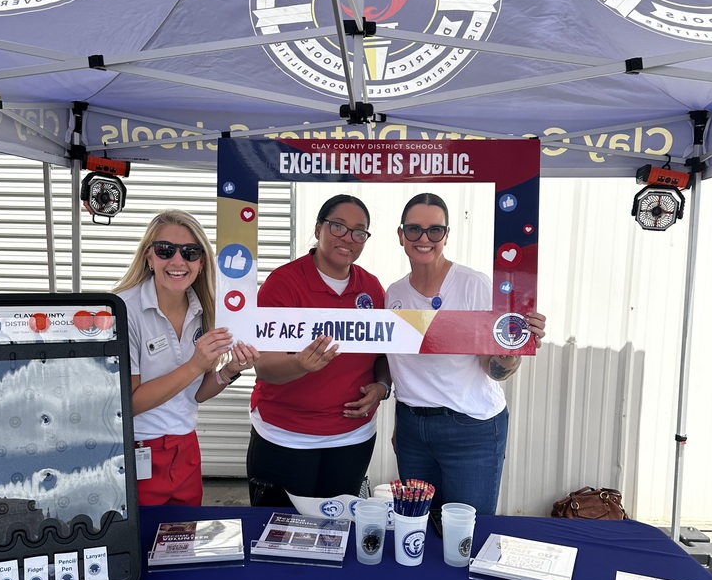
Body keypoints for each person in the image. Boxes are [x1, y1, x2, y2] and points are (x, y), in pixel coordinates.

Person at [385, 192, 546, 521]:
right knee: (419, 529)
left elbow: (495, 369)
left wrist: (511, 352)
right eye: (414, 229)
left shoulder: (475, 286)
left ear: (446, 235)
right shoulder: (393, 294)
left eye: (435, 230)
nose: (424, 238)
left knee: (466, 535)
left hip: (471, 429)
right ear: (401, 235)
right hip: (412, 429)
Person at [247, 194, 392, 503]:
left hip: (352, 438)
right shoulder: (283, 284)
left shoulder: (371, 288)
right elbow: (265, 369)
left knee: (335, 535)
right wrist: (300, 364)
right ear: (318, 229)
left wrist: (382, 386)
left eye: (359, 231)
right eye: (338, 226)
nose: (348, 238)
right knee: (277, 535)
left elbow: (384, 355)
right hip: (286, 437)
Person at [115, 210, 259, 506]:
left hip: (187, 449)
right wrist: (195, 364)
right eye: (165, 250)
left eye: (190, 252)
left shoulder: (205, 308)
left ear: (202, 261)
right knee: (140, 547)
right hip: (136, 450)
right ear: (149, 257)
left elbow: (196, 395)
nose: (178, 261)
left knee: (183, 542)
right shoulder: (123, 311)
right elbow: (127, 403)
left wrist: (230, 370)